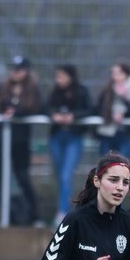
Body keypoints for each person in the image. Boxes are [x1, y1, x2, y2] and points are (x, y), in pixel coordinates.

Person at [0, 55, 44, 226]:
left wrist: (16, 113)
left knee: (22, 176)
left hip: (19, 141)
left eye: (19, 70)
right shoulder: (4, 87)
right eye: (14, 69)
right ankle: (7, 215)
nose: (15, 73)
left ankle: (33, 215)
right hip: (0, 139)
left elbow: (36, 108)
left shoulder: (32, 90)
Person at [47, 64, 92, 225]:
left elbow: (90, 110)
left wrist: (73, 117)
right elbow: (45, 107)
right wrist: (54, 115)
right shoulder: (55, 93)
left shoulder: (81, 91)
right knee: (60, 176)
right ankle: (64, 207)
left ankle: (62, 212)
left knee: (66, 175)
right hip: (57, 137)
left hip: (73, 137)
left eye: (61, 76)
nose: (58, 80)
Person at [94, 62, 130, 158]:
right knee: (106, 166)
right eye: (113, 73)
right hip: (107, 133)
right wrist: (110, 115)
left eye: (119, 73)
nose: (115, 76)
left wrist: (124, 99)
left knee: (122, 165)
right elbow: (97, 108)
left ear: (126, 74)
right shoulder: (107, 89)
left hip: (124, 133)